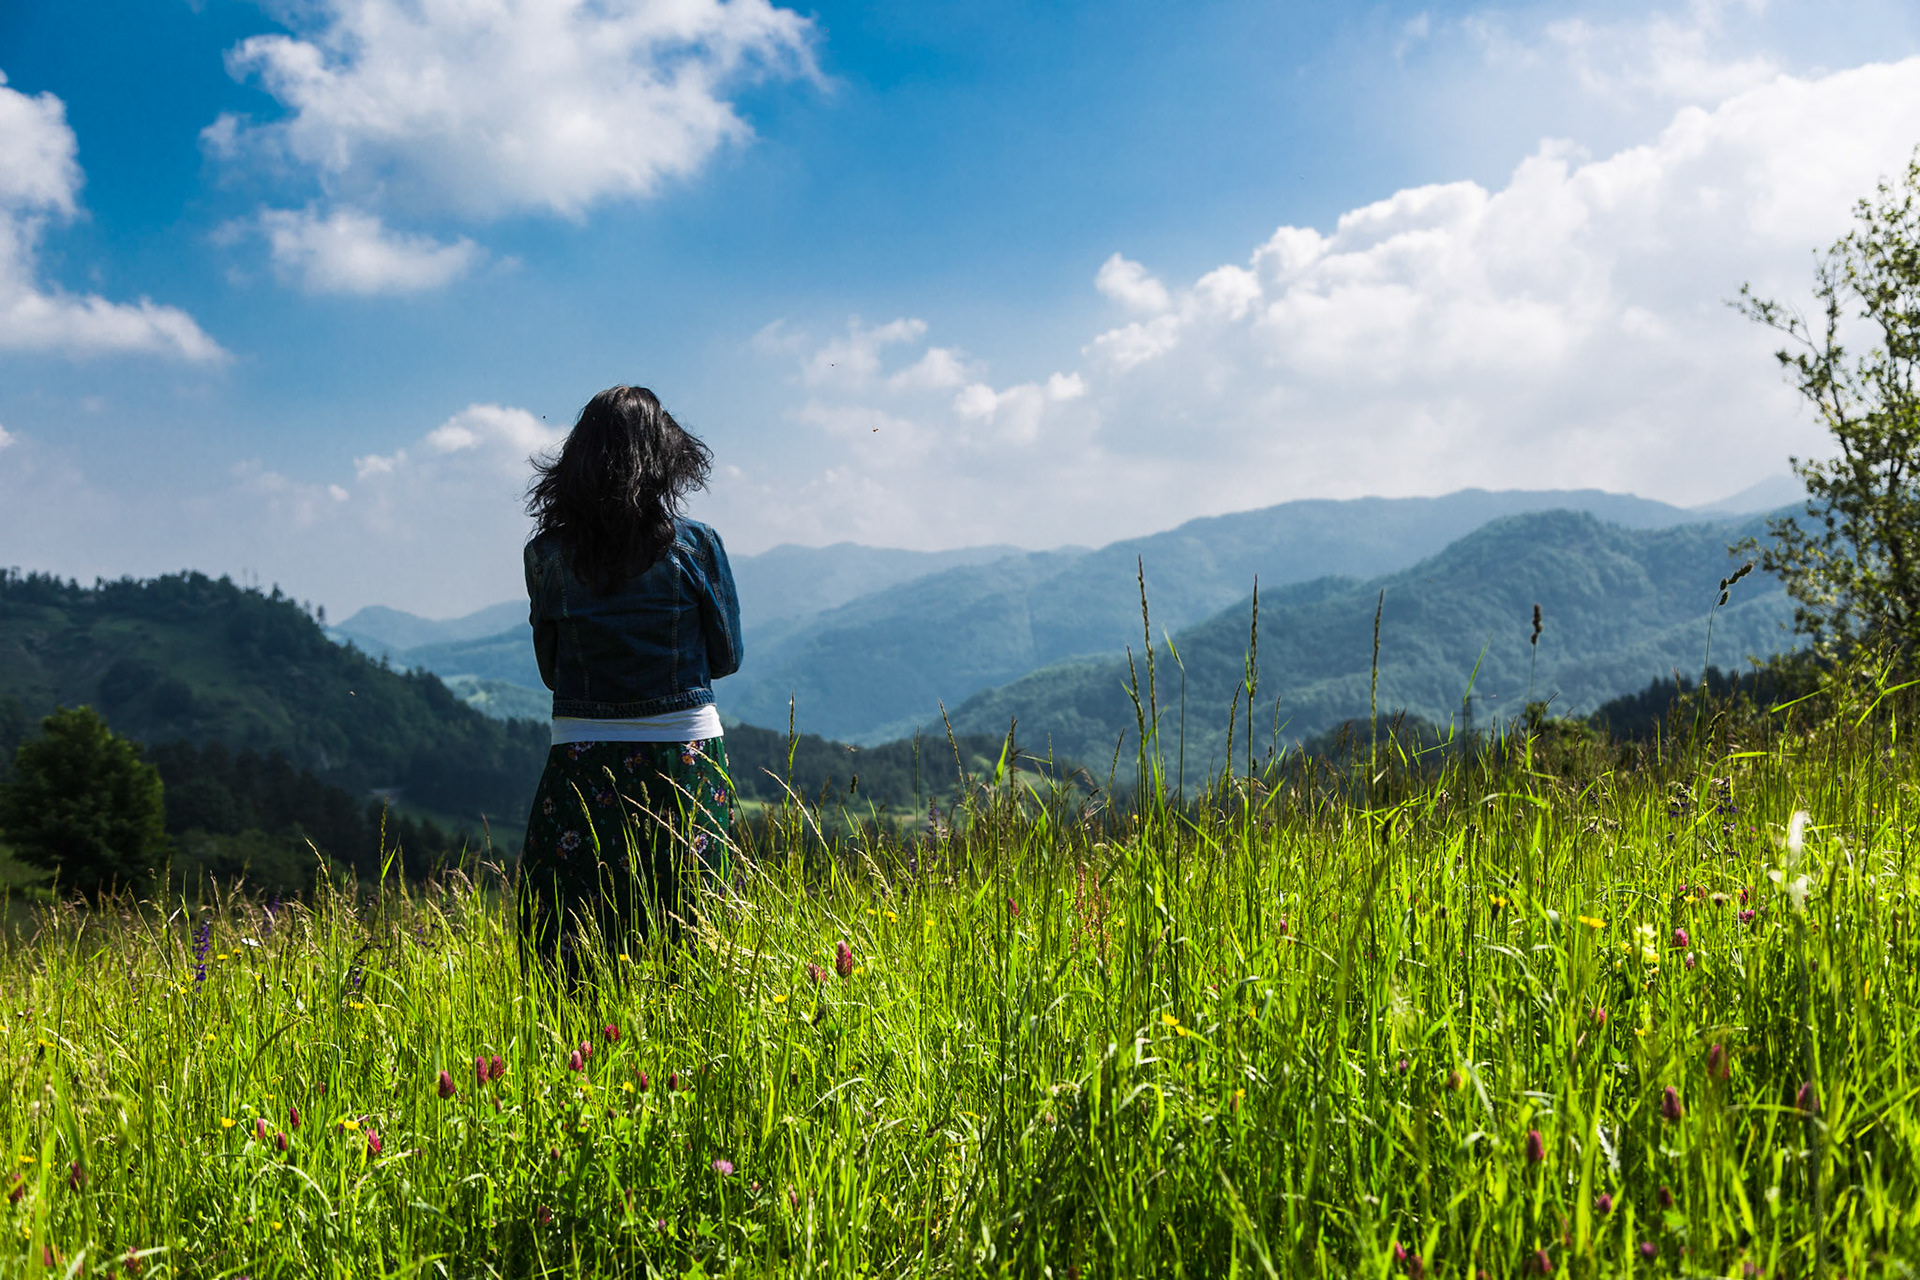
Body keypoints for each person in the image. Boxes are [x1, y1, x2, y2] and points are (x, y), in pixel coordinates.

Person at [516, 385, 742, 976]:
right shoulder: (697, 546)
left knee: (571, 942)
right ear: (666, 457)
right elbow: (726, 658)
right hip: (684, 755)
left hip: (581, 758)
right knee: (690, 934)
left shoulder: (545, 555)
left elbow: (550, 672)